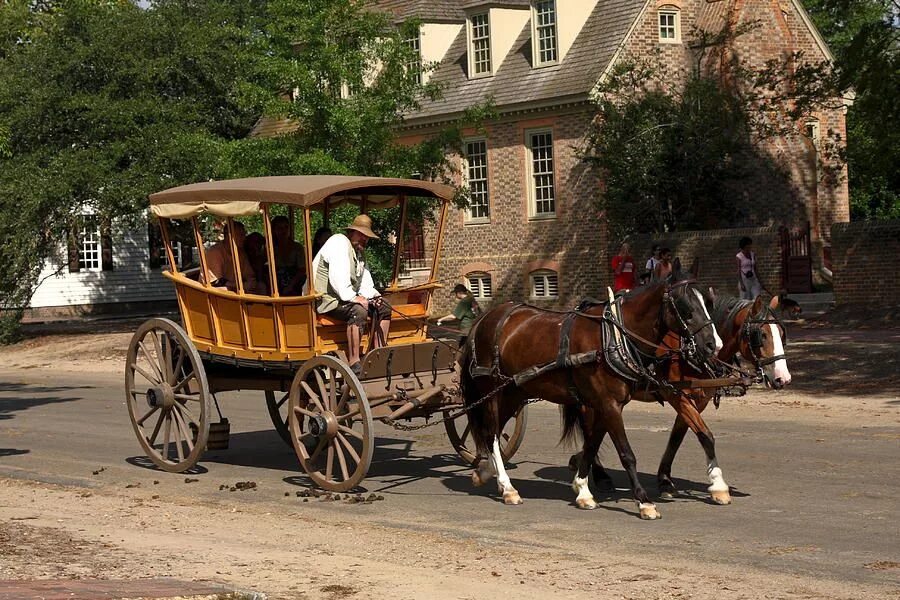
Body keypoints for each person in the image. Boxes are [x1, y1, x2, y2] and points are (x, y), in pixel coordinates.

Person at [307, 214, 390, 374]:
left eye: (367, 236)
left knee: (384, 307)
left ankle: (378, 354)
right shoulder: (339, 243)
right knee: (358, 310)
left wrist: (375, 297)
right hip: (325, 300)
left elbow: (365, 282)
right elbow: (338, 279)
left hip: (342, 299)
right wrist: (354, 298)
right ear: (352, 232)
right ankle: (354, 360)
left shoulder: (359, 253)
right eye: (361, 235)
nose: (364, 239)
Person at [204, 221, 261, 293]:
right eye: (240, 235)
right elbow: (216, 282)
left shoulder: (240, 252)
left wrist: (251, 282)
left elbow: (249, 274)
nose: (244, 238)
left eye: (244, 234)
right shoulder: (215, 252)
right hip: (212, 293)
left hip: (234, 288)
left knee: (261, 286)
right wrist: (241, 285)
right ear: (229, 236)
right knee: (225, 290)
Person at [271, 215, 306, 296]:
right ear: (274, 230)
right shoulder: (270, 248)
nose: (283, 231)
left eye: (286, 227)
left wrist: (290, 285)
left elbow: (302, 270)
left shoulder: (297, 247)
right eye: (280, 228)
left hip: (295, 280)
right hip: (276, 280)